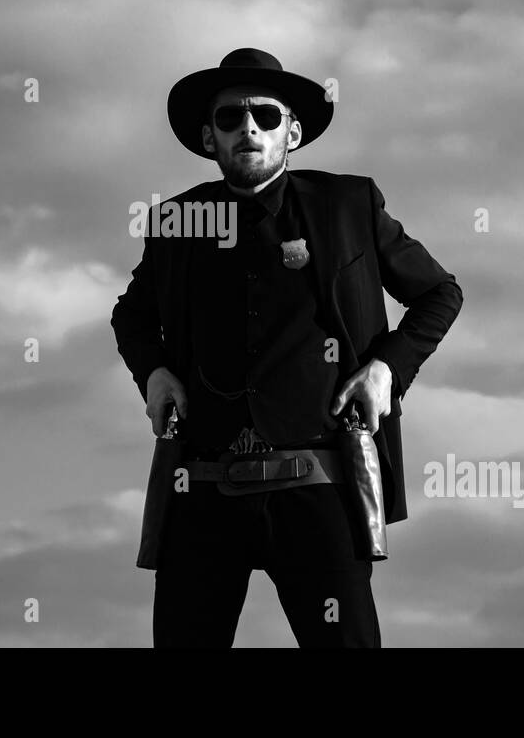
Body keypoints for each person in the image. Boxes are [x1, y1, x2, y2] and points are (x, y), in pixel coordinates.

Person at [111, 47, 464, 647]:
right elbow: (131, 317)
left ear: (293, 131)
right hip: (201, 489)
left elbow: (440, 293)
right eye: (229, 118)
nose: (248, 127)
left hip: (319, 483)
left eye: (267, 116)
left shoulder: (349, 205)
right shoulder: (177, 220)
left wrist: (386, 370)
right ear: (207, 136)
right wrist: (154, 374)